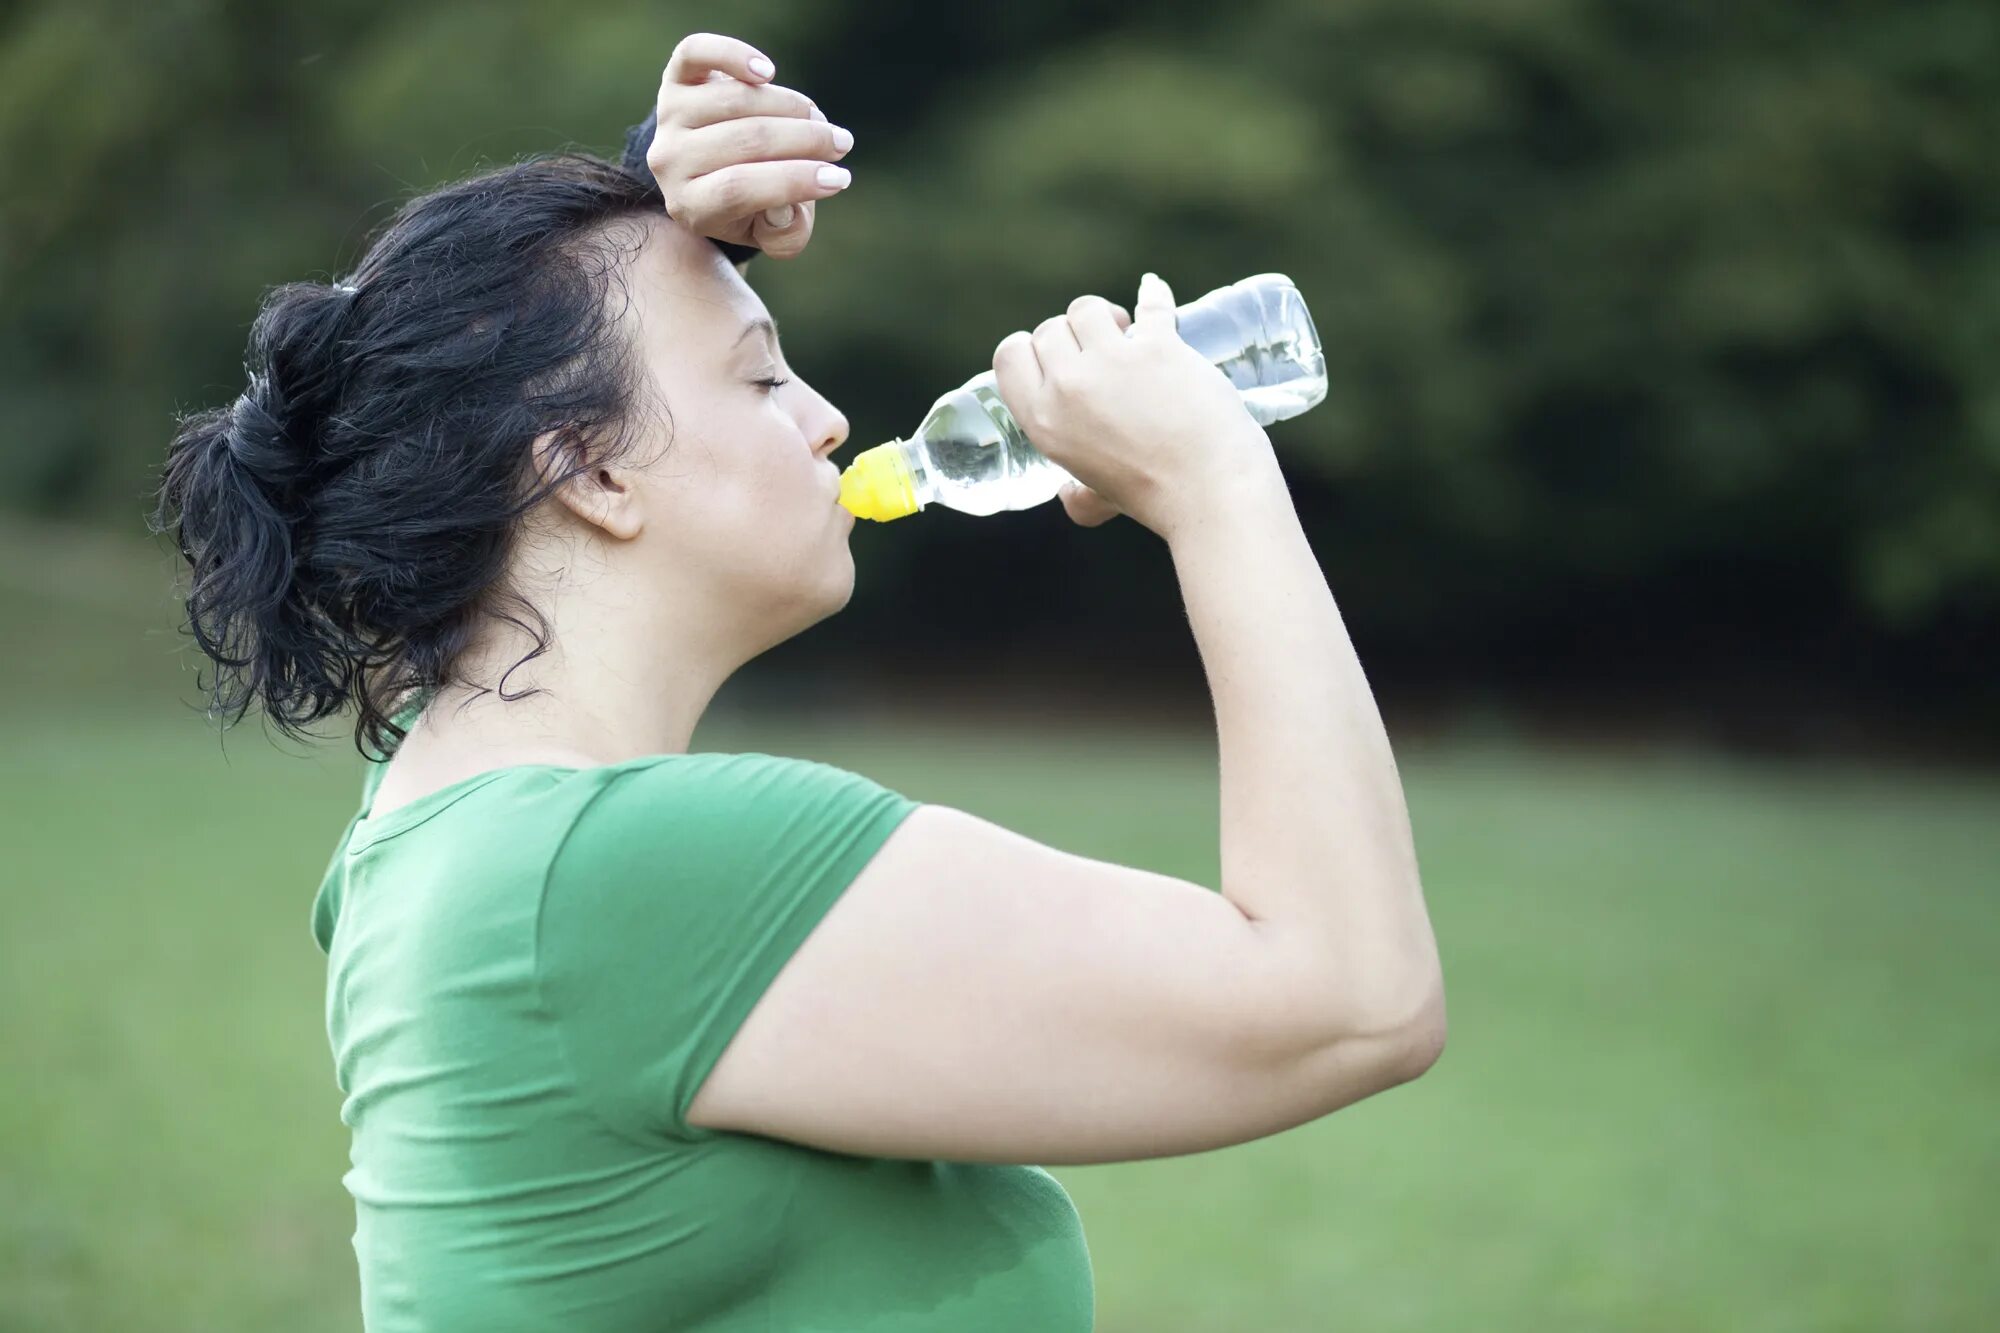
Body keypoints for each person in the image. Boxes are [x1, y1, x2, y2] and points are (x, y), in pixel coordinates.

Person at [148, 30, 1445, 1333]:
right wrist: (1214, 480)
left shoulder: (430, 822)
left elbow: (459, 370)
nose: (825, 418)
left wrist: (644, 201)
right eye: (761, 376)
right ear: (591, 475)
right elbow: (1350, 998)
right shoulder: (631, 871)